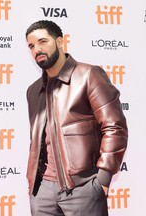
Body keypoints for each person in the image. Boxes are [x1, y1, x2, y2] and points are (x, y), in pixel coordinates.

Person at [25, 20, 128, 216]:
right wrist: (33, 184)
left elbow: (115, 128)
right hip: (42, 192)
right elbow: (37, 140)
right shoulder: (33, 91)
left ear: (60, 42)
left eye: (43, 41)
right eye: (31, 46)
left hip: (83, 187)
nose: (37, 49)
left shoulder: (88, 75)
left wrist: (102, 180)